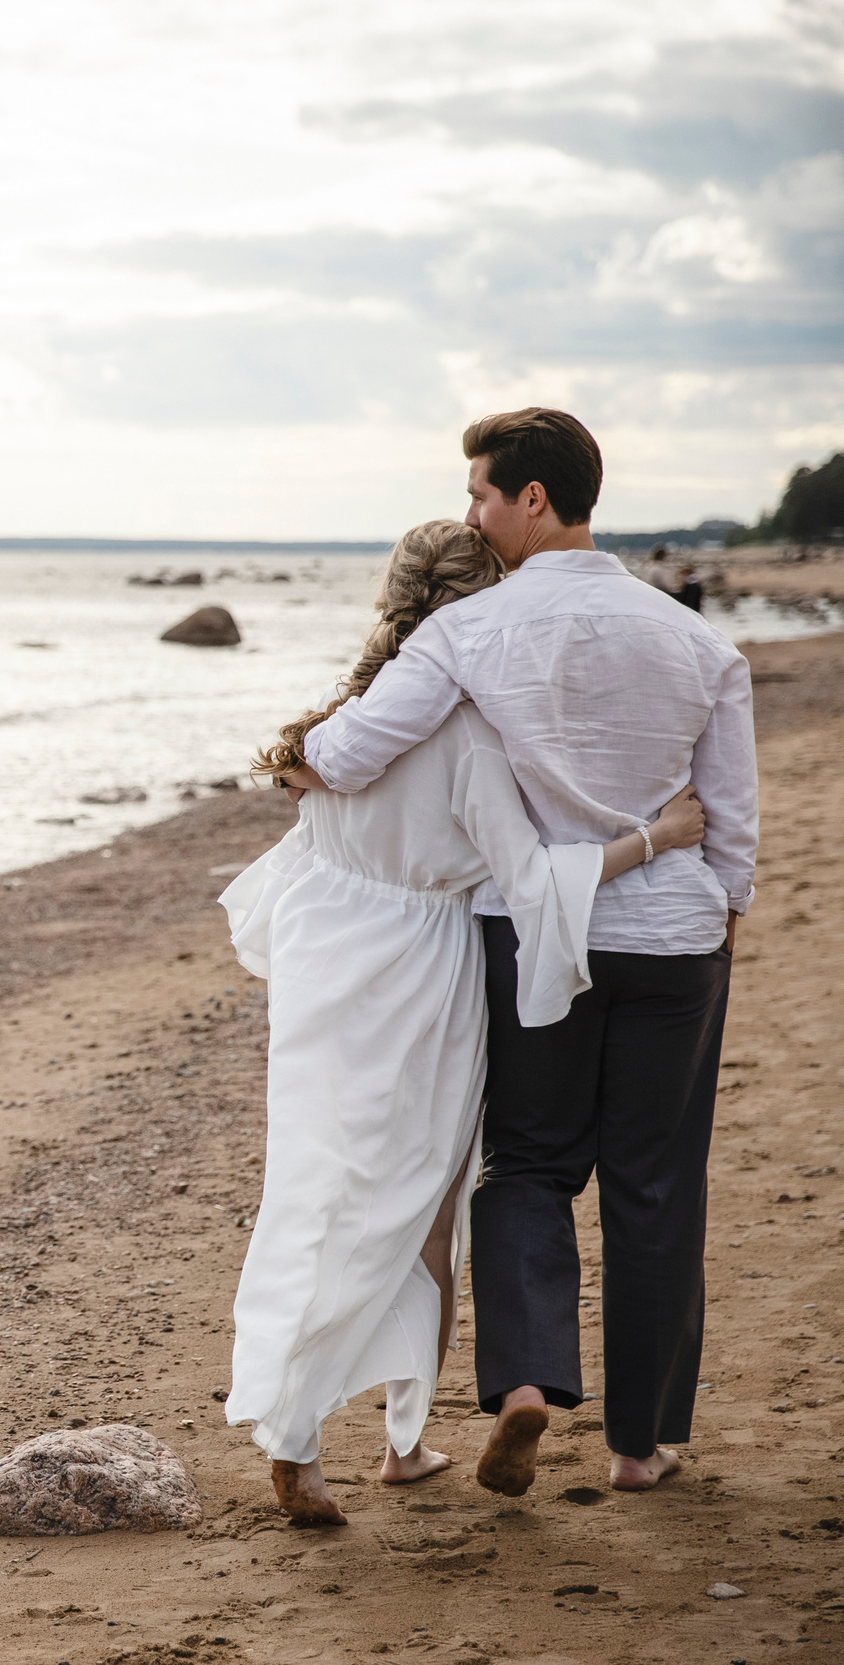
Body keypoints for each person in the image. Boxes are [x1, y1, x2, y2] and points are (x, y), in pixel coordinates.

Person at [287, 408, 758, 1498]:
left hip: (535, 937)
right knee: (654, 1182)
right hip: (674, 938)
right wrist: (716, 920)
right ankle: (640, 1447)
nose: (472, 517)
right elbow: (729, 819)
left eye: (481, 497)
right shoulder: (695, 640)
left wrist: (301, 754)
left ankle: (527, 1387)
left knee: (528, 1168)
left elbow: (353, 750)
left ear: (531, 500)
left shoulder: (469, 632)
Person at [217, 517, 707, 1525]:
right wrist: (654, 838)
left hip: (324, 971)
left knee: (318, 1189)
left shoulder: (336, 732)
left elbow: (298, 865)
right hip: (423, 973)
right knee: (419, 1210)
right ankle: (387, 1443)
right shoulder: (472, 739)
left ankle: (322, 1444)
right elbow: (530, 886)